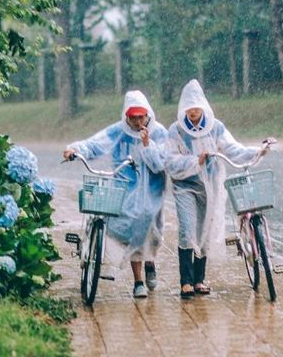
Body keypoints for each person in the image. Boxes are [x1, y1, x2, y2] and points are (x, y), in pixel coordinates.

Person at [165, 79, 267, 299]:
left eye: (196, 108)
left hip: (209, 186)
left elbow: (232, 149)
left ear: (203, 107)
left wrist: (256, 152)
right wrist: (194, 162)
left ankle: (199, 280)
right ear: (183, 109)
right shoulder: (176, 131)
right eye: (188, 108)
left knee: (205, 229)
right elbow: (170, 161)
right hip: (185, 186)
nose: (193, 112)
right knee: (187, 227)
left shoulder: (215, 127)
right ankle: (185, 281)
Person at [63, 90, 168, 299]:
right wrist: (75, 149)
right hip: (126, 186)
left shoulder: (160, 133)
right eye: (133, 117)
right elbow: (95, 144)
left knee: (152, 232)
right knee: (133, 230)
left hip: (153, 190)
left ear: (148, 115)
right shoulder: (118, 132)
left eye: (141, 117)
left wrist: (147, 145)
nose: (138, 122)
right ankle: (138, 281)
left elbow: (160, 164)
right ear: (126, 117)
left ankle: (150, 262)